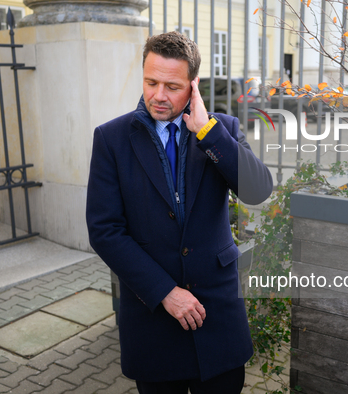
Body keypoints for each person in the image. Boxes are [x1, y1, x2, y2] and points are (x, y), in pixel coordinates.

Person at [86, 31, 273, 394]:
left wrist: (207, 130)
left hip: (217, 316)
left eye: (172, 86)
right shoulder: (111, 138)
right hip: (153, 318)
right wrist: (165, 292)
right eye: (151, 81)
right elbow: (104, 230)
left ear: (193, 85)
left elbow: (258, 191)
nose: (158, 95)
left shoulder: (222, 130)